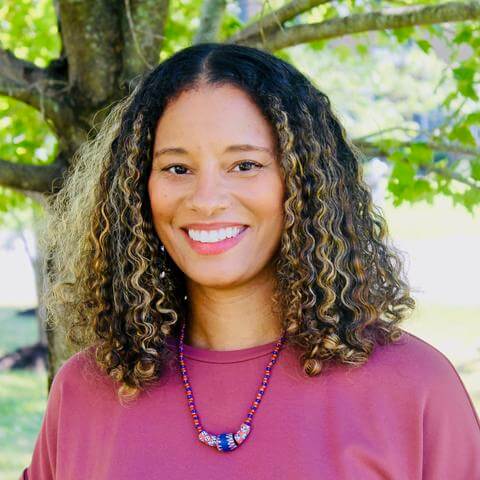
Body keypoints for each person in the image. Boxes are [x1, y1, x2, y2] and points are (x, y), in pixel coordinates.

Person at [20, 42, 480, 479]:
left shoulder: (413, 388)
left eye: (245, 165)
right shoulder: (84, 392)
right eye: (177, 168)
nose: (206, 200)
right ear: (138, 192)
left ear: (303, 184)